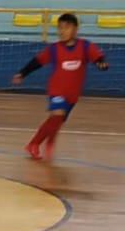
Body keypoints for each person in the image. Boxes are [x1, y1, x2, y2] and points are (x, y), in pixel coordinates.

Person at [11, 12, 108, 161]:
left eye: (66, 27)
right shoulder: (54, 49)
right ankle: (49, 143)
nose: (62, 31)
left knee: (56, 121)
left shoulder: (85, 46)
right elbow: (37, 61)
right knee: (58, 114)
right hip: (56, 90)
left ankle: (33, 144)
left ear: (75, 30)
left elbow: (98, 58)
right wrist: (22, 73)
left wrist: (101, 63)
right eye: (60, 28)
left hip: (73, 95)